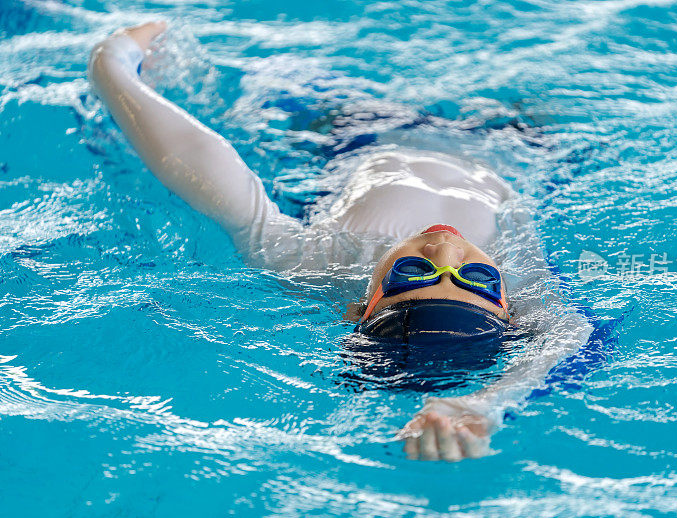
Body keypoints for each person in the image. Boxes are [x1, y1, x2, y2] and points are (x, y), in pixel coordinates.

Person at [88, 21, 592, 462]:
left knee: (275, 83)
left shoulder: (309, 263)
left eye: (412, 273)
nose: (445, 251)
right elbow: (571, 340)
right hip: (514, 145)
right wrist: (485, 404)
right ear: (506, 308)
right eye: (479, 277)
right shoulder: (524, 283)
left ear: (360, 306)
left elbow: (203, 162)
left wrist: (110, 64)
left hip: (357, 130)